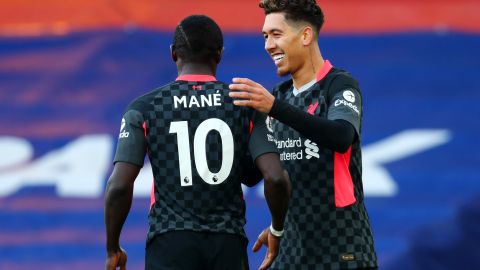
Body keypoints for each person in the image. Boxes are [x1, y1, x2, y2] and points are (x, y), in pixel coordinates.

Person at [104, 15, 290, 270]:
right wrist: (277, 230)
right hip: (228, 245)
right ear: (220, 55)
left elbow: (118, 186)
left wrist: (112, 247)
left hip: (169, 243)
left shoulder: (145, 107)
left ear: (173, 53)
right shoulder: (245, 104)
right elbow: (276, 177)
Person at [228, 0, 378, 269]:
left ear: (306, 35)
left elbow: (341, 136)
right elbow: (252, 174)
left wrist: (274, 109)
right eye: (265, 36)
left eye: (276, 34)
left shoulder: (338, 84)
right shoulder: (278, 96)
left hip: (343, 253)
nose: (268, 45)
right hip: (291, 254)